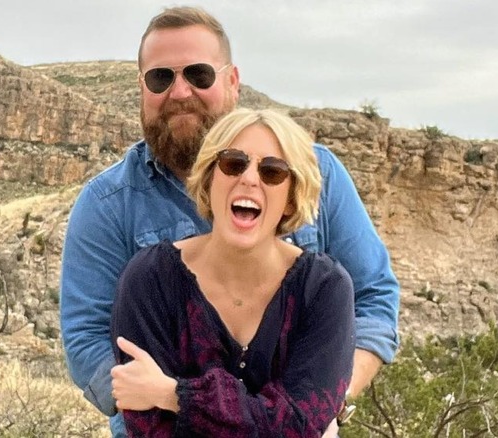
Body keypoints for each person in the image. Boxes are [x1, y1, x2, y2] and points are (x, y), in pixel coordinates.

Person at [60, 6, 400, 437]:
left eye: (198, 74)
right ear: (142, 89)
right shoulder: (109, 206)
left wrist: (324, 393)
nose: (180, 92)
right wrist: (151, 404)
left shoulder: (319, 175)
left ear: (233, 81)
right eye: (161, 78)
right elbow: (88, 340)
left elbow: (373, 300)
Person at [109, 108, 355, 437]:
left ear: (291, 200)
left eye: (273, 171)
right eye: (233, 163)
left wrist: (175, 395)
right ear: (209, 179)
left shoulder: (323, 290)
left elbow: (300, 425)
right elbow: (150, 427)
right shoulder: (150, 281)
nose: (250, 178)